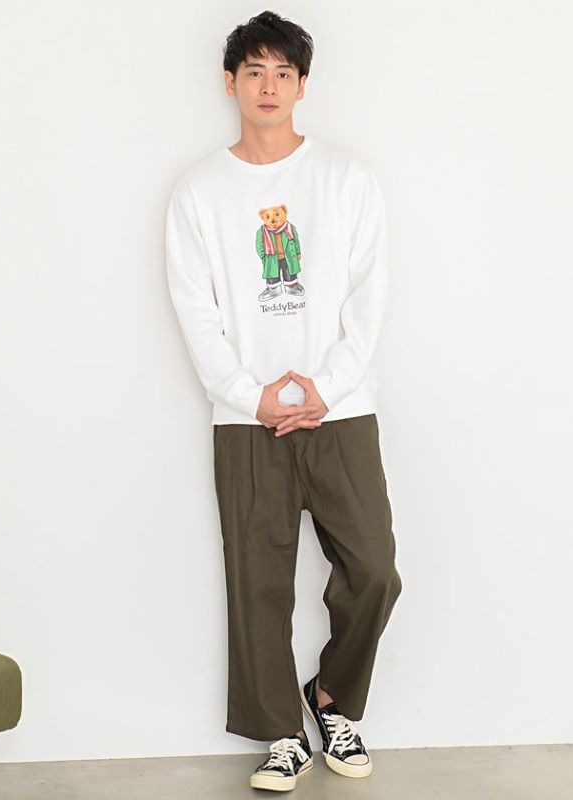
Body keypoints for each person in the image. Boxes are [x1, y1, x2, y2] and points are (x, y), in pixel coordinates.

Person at [164, 10, 403, 793]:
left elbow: (369, 297)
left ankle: (331, 698)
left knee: (374, 569)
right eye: (254, 72)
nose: (268, 86)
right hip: (245, 421)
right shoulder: (199, 191)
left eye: (283, 73)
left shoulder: (346, 178)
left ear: (303, 85)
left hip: (341, 411)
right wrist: (249, 394)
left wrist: (325, 387)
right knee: (256, 581)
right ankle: (279, 734)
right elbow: (195, 310)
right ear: (229, 82)